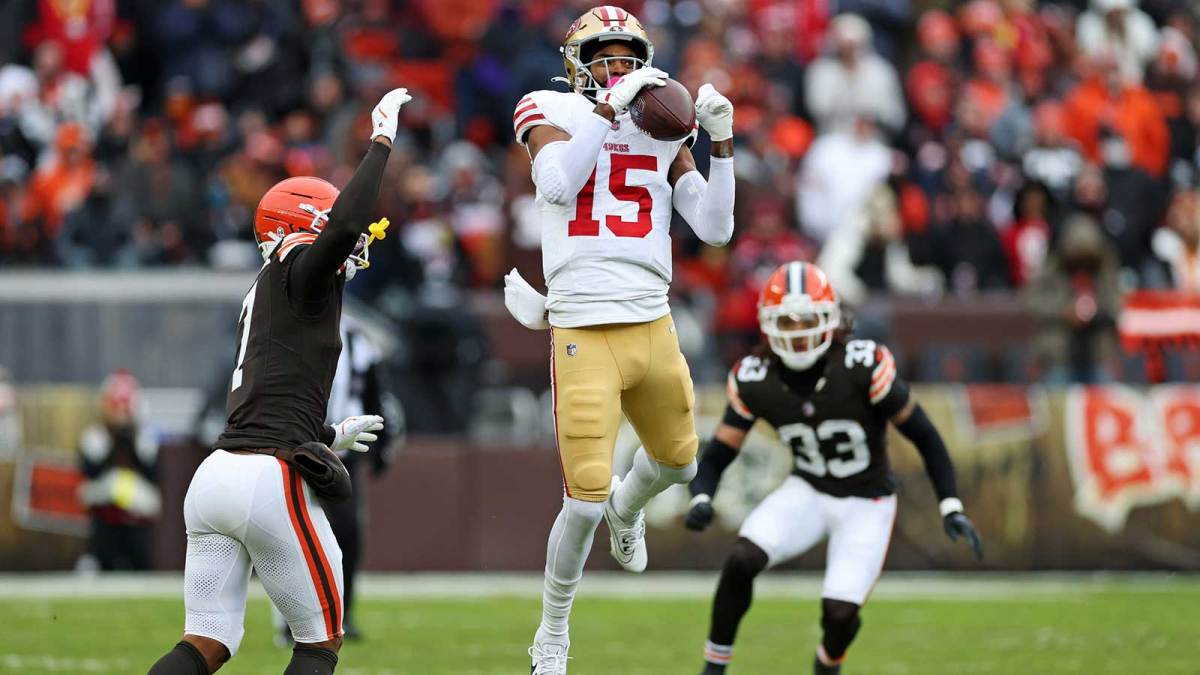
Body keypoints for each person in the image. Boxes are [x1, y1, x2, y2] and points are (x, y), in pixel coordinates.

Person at [145, 86, 411, 675]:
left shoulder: (266, 291)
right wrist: (381, 142)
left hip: (216, 475)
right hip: (268, 477)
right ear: (303, 227)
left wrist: (327, 430)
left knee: (207, 643)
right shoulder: (299, 269)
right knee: (320, 642)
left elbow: (273, 387)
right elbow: (342, 231)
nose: (357, 238)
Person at [503, 6, 736, 673]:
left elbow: (714, 228)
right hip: (581, 324)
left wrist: (720, 144)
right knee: (583, 497)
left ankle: (629, 512)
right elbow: (556, 182)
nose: (618, 68)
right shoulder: (548, 105)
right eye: (604, 57)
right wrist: (607, 112)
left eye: (626, 57)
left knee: (680, 463)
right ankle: (552, 632)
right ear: (578, 63)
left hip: (651, 317)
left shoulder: (661, 121)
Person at [685, 262, 983, 675]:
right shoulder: (756, 377)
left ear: (830, 320)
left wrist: (950, 504)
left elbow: (925, 435)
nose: (798, 329)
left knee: (840, 616)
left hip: (868, 500)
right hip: (807, 489)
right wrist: (702, 494)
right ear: (767, 325)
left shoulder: (861, 365)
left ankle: (827, 664)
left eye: (807, 319)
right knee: (741, 558)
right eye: (786, 320)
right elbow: (718, 453)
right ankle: (713, 668)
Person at [275, 314, 402, 645]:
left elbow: (377, 395)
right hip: (299, 448)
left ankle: (342, 614)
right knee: (298, 533)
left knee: (347, 533)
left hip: (345, 453)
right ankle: (295, 618)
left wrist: (382, 446)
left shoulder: (359, 343)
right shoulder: (296, 334)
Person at [78, 369, 160, 571]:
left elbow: (152, 472)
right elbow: (90, 471)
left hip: (136, 518)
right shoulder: (95, 436)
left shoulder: (144, 437)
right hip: (104, 515)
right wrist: (111, 443)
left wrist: (131, 441)